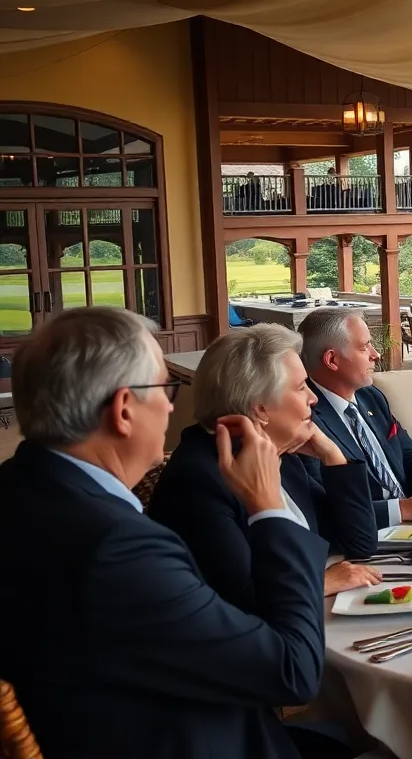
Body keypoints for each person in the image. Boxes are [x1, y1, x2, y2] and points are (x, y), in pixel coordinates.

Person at [0, 306, 341, 758]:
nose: (171, 404)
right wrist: (268, 508)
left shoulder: (17, 488)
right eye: (165, 388)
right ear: (124, 410)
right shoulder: (117, 548)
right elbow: (293, 671)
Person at [150, 324, 381, 613]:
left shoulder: (277, 453)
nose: (313, 398)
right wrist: (320, 582)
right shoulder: (199, 479)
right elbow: (238, 597)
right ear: (260, 408)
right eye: (301, 388)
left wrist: (333, 456)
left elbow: (360, 544)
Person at [299, 307, 412, 529]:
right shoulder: (305, 417)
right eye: (364, 347)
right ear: (332, 359)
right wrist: (404, 509)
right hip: (372, 537)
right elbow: (321, 507)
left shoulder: (370, 396)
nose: (375, 354)